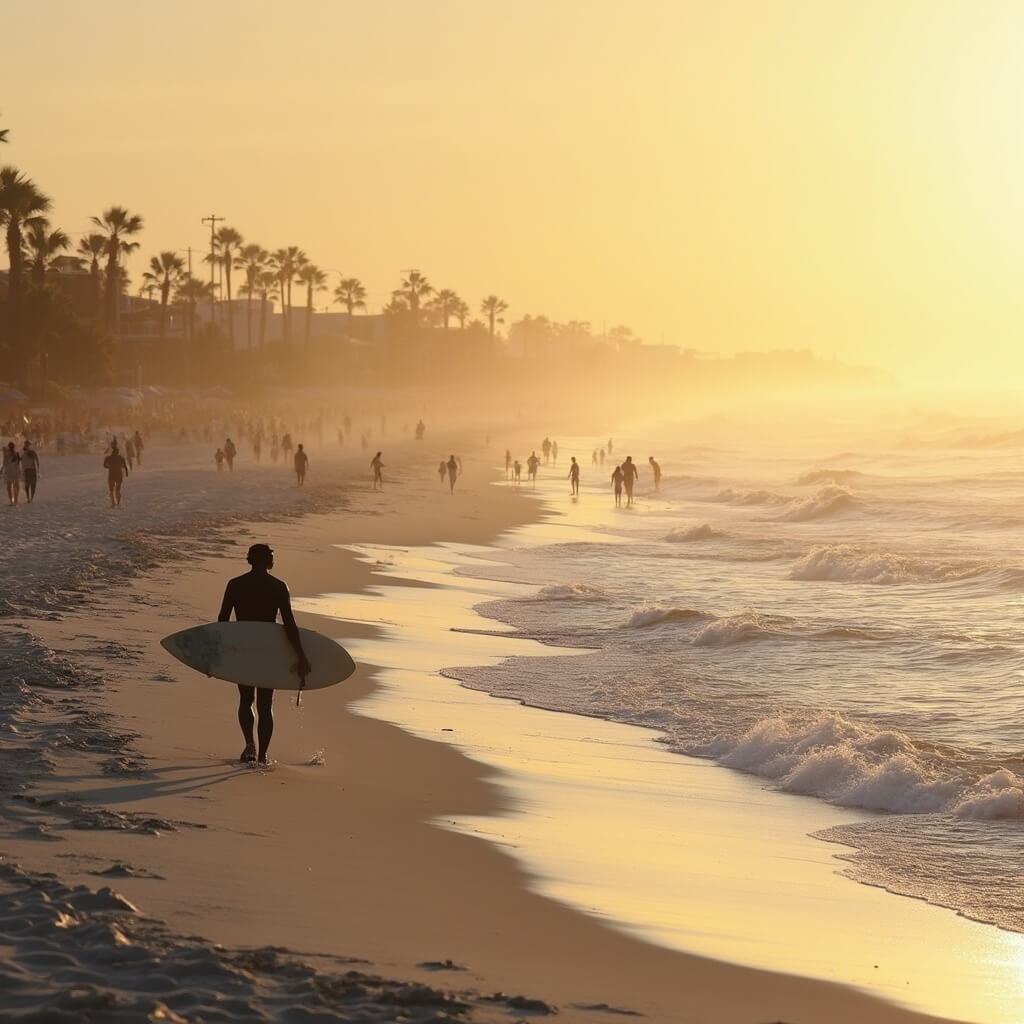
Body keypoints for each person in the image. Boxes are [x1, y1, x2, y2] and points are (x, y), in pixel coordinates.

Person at [218, 543, 311, 765]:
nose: (273, 559)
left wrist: (220, 656)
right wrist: (301, 655)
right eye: (271, 556)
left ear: (250, 559)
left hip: (244, 648)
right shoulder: (278, 587)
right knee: (265, 704)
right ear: (267, 561)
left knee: (245, 699)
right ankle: (262, 755)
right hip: (267, 651)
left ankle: (249, 744)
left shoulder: (235, 584)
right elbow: (289, 625)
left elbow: (222, 622)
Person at [103, 442, 129, 507]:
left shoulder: (108, 458)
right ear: (118, 452)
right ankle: (118, 503)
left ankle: (113, 504)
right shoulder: (121, 458)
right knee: (118, 490)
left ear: (112, 452)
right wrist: (126, 473)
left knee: (111, 490)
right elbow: (125, 467)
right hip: (119, 475)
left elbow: (105, 466)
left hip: (111, 475)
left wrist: (110, 467)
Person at [3, 441, 22, 506]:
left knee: (10, 487)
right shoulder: (15, 453)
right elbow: (18, 462)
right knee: (15, 486)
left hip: (10, 471)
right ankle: (15, 500)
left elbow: (5, 462)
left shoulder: (9, 454)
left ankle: (12, 501)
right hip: (14, 471)